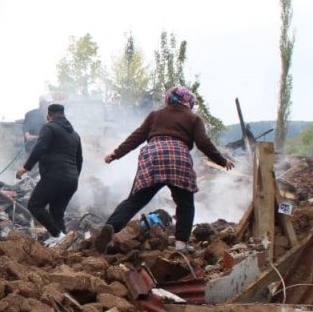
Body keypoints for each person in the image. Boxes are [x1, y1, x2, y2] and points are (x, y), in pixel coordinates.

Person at [93, 86, 233, 253]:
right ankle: (181, 244)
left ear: (168, 100)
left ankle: (110, 227)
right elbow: (203, 143)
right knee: (185, 203)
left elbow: (137, 137)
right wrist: (221, 161)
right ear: (188, 101)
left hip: (153, 156)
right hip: (178, 157)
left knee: (135, 200)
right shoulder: (193, 118)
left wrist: (115, 154)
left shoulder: (155, 115)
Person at [15, 103, 82, 246]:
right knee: (56, 212)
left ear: (49, 115)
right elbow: (79, 160)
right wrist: (74, 176)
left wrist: (26, 167)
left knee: (35, 205)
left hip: (54, 176)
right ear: (63, 114)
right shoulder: (75, 135)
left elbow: (40, 147)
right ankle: (63, 244)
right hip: (71, 180)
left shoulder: (49, 127)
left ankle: (57, 234)